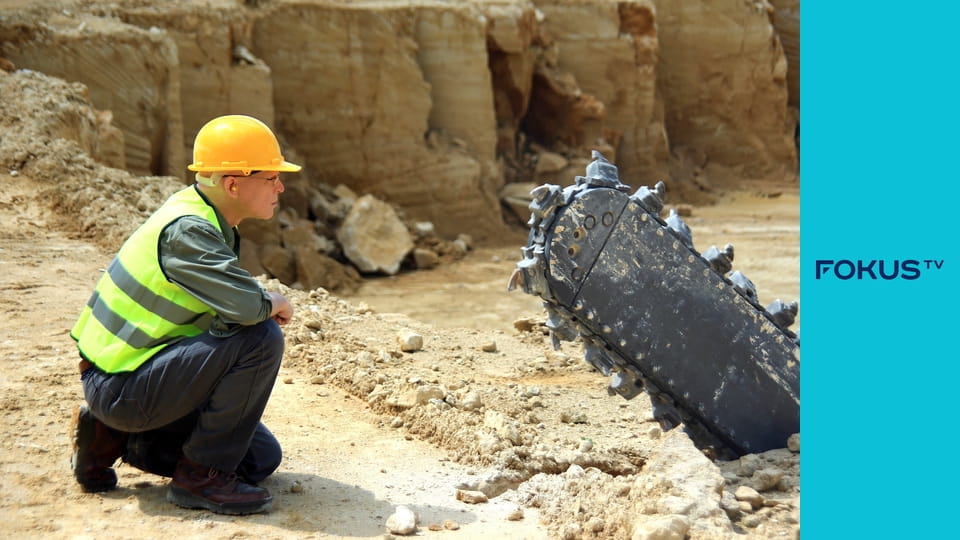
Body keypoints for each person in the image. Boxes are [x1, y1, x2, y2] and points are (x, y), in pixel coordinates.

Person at [69, 114, 300, 515]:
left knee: (259, 460)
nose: (280, 186)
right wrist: (272, 302)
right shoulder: (188, 229)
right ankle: (200, 477)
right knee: (261, 339)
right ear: (232, 183)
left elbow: (227, 305)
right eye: (270, 177)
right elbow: (247, 309)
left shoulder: (202, 216)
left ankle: (110, 437)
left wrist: (257, 303)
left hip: (132, 377)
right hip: (120, 385)